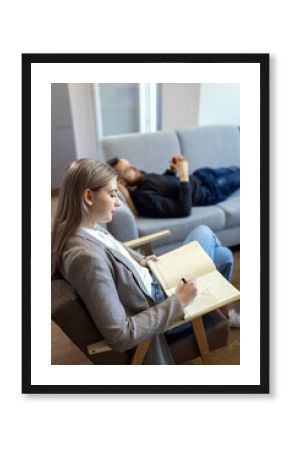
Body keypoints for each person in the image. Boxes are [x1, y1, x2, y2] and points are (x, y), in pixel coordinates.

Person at [52, 158, 238, 365]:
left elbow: (115, 252)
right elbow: (120, 334)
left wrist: (140, 261)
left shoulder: (84, 227)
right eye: (113, 195)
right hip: (159, 304)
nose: (118, 203)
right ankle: (213, 311)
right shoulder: (85, 258)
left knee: (223, 256)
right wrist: (179, 301)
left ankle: (215, 309)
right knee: (206, 235)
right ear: (88, 196)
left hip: (153, 280)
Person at [107, 156, 240, 218]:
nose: (135, 167)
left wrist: (171, 170)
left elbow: (163, 185)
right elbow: (184, 209)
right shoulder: (144, 199)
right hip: (208, 190)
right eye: (128, 169)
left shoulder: (140, 178)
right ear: (122, 183)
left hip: (201, 175)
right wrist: (183, 174)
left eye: (130, 163)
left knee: (237, 168)